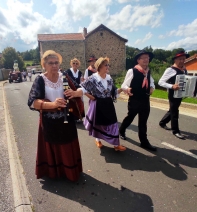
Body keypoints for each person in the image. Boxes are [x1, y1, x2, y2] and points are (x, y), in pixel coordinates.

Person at [27, 50, 83, 182]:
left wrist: (73, 94)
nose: (54, 65)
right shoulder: (40, 79)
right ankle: (55, 172)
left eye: (56, 62)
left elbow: (77, 92)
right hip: (49, 120)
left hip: (66, 118)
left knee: (67, 145)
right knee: (54, 145)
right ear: (44, 65)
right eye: (51, 63)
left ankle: (69, 172)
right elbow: (32, 102)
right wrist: (52, 105)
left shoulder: (64, 77)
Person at [65, 57, 126, 151]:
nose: (108, 66)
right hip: (98, 105)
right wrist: (75, 93)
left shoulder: (109, 78)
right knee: (98, 124)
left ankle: (116, 144)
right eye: (106, 65)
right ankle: (97, 140)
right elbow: (83, 89)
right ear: (99, 66)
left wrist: (123, 89)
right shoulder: (93, 78)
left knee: (113, 124)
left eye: (108, 65)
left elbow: (114, 92)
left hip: (108, 104)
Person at [119, 50, 157, 151]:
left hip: (145, 101)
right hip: (134, 100)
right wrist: (127, 89)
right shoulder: (132, 71)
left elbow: (152, 83)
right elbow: (124, 85)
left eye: (147, 58)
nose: (146, 60)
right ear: (138, 60)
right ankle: (121, 130)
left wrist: (152, 87)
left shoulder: (148, 71)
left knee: (143, 122)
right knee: (130, 118)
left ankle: (144, 142)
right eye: (143, 58)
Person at [158, 50, 190, 140]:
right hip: (173, 93)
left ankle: (162, 122)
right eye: (180, 59)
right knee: (175, 111)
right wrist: (171, 86)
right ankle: (175, 131)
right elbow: (161, 82)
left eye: (183, 59)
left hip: (180, 93)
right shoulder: (170, 70)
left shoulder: (184, 69)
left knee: (172, 109)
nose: (182, 61)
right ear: (175, 60)